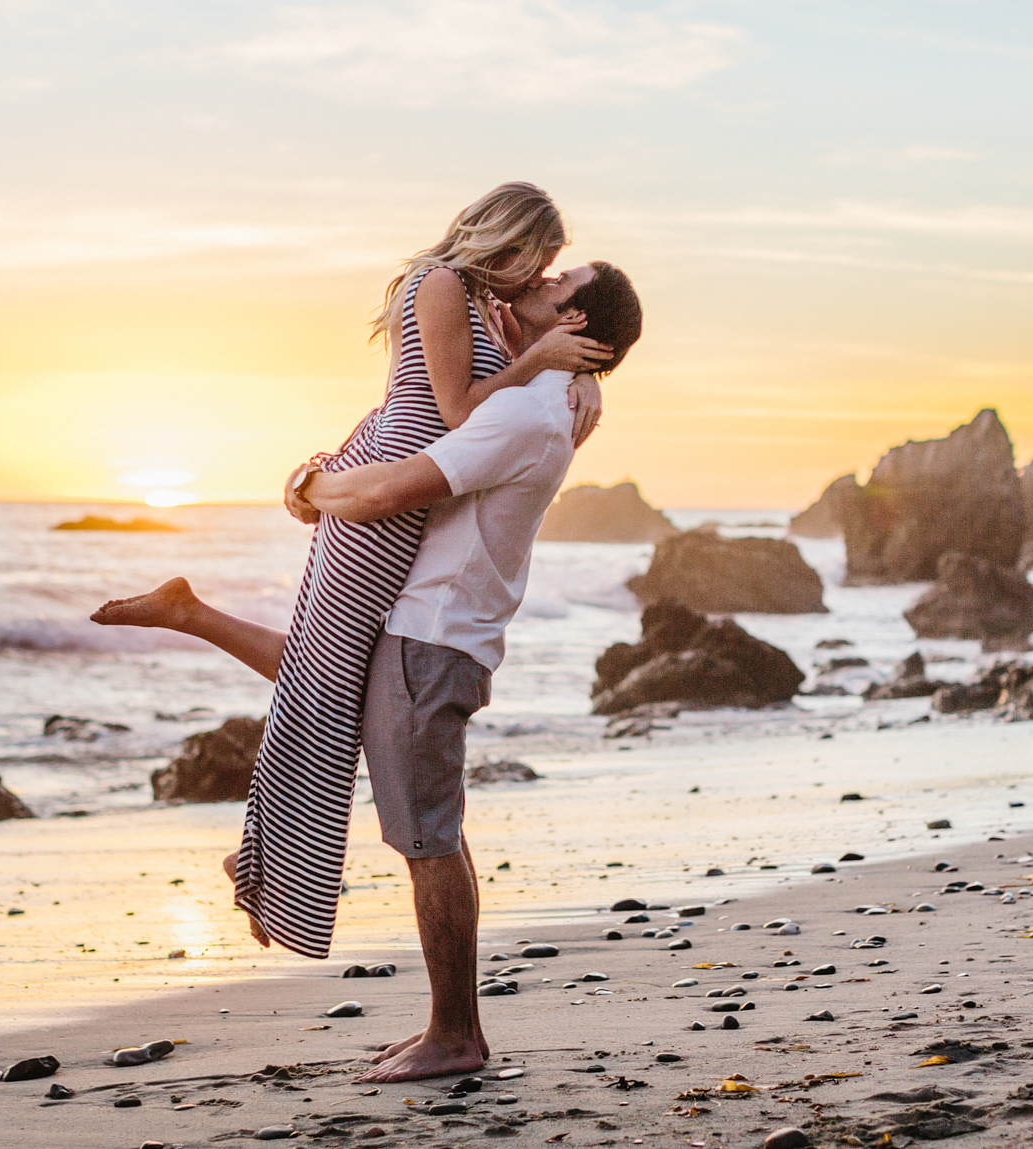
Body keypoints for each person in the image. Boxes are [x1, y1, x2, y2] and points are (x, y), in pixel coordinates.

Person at [95, 262, 644, 1082]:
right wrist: (565, 367)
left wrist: (307, 486)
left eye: (562, 278)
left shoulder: (528, 410)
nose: (542, 274)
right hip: (430, 627)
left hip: (434, 636)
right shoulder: (536, 396)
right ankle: (195, 627)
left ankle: (454, 1034)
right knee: (327, 692)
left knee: (429, 839)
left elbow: (395, 487)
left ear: (575, 325)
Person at [162, 183, 609, 962]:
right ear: (510, 239)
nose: (541, 276)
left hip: (405, 482)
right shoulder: (439, 283)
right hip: (389, 473)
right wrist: (542, 357)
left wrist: (580, 374)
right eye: (543, 260)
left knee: (330, 676)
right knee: (324, 674)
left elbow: (519, 389)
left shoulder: (479, 298)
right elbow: (461, 408)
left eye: (553, 273)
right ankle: (265, 862)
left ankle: (263, 862)